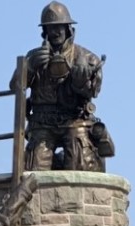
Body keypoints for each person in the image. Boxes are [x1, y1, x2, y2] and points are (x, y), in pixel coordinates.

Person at [12, 2, 113, 171]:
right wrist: (29, 69)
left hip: (75, 120)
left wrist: (81, 82)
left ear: (68, 29)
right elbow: (15, 88)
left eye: (60, 27)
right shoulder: (33, 57)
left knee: (80, 164)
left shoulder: (87, 57)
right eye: (51, 28)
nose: (56, 32)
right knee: (34, 170)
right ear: (44, 31)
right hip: (42, 122)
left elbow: (94, 92)